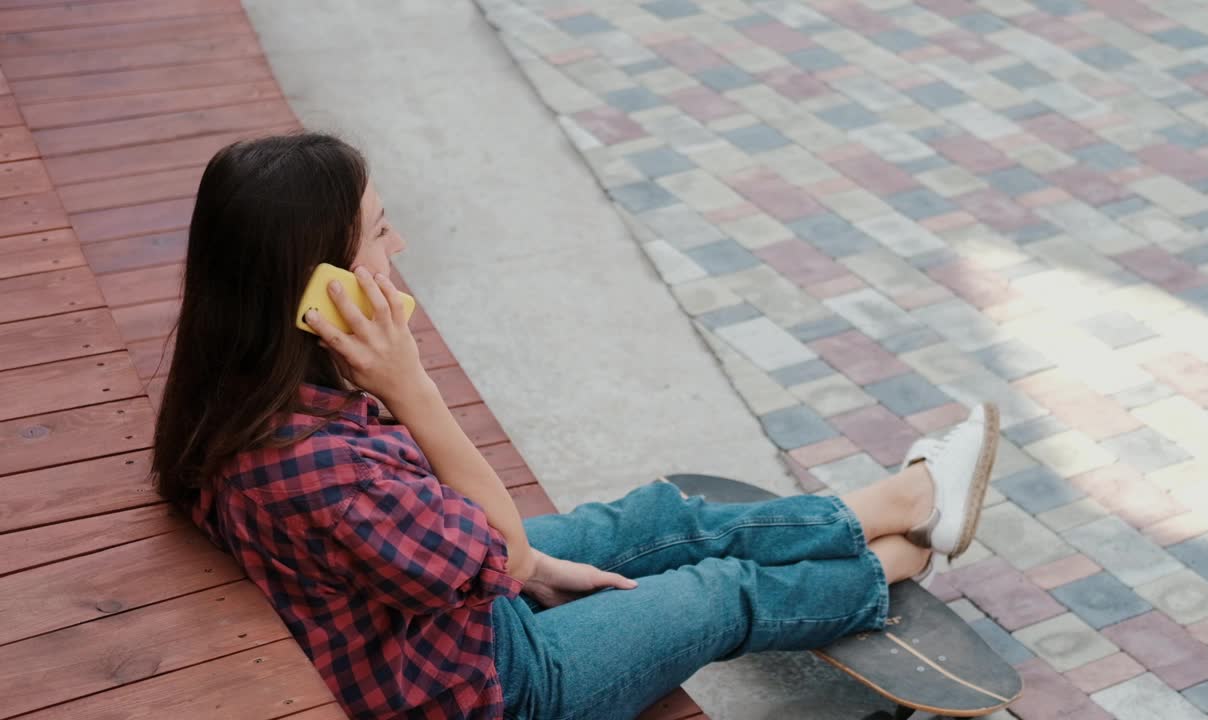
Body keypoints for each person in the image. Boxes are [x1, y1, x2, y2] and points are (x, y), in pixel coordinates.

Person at [152, 132, 999, 720]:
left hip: (446, 617)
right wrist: (412, 385)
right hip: (496, 688)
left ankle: (897, 502)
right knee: (713, 595)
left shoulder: (238, 386)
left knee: (655, 520)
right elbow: (503, 553)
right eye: (378, 233)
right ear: (315, 284)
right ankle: (885, 565)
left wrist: (528, 568)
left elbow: (487, 558)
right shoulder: (320, 468)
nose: (399, 243)